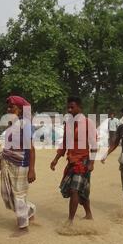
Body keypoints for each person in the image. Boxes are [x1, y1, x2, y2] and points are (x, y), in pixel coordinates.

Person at [0, 95, 36, 236]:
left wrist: (32, 170)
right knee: (7, 195)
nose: (8, 109)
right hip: (7, 163)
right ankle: (30, 210)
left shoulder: (26, 124)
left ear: (20, 109)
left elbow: (31, 148)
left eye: (12, 107)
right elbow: (7, 148)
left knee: (18, 196)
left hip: (21, 164)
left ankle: (23, 227)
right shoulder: (11, 125)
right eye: (8, 107)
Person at [50, 96, 97, 224]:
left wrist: (92, 163)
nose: (69, 110)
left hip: (83, 161)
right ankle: (88, 214)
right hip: (71, 161)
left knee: (74, 189)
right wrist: (56, 159)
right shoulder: (68, 124)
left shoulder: (88, 123)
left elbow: (94, 144)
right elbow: (64, 143)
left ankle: (70, 220)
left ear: (79, 108)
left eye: (72, 107)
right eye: (68, 107)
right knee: (81, 190)